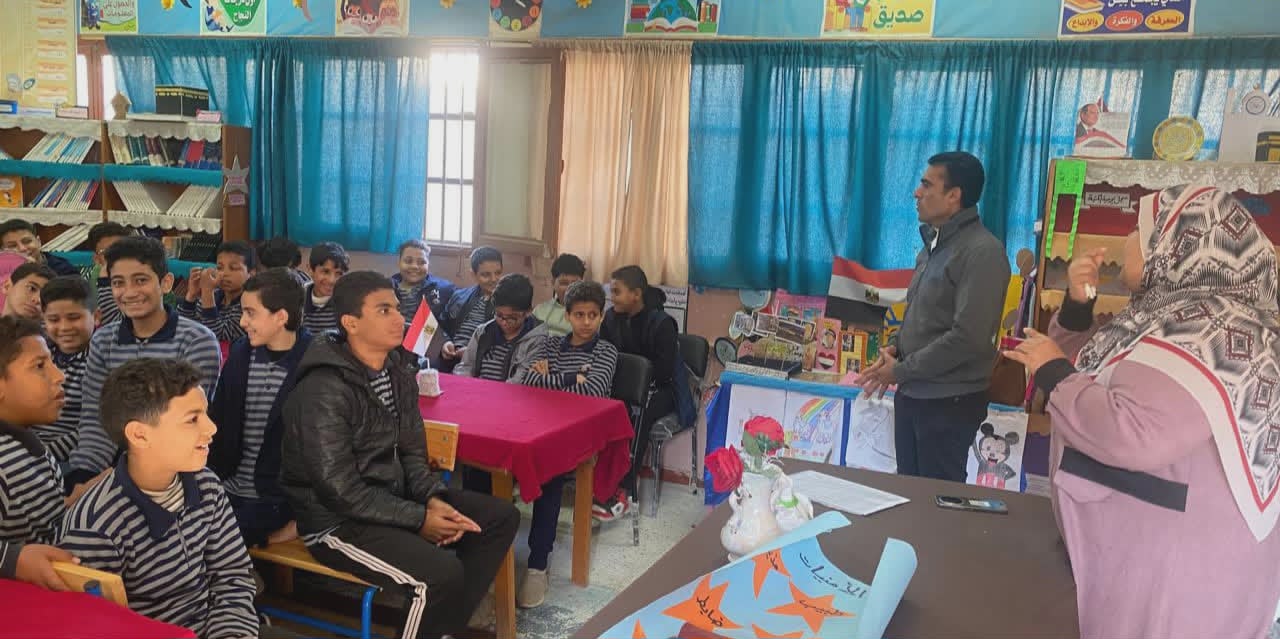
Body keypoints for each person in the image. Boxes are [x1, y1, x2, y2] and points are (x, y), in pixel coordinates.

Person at [1003, 185, 1280, 639]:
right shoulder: (1178, 315)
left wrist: (1052, 371)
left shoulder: (1211, 331)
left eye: (1140, 229)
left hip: (1175, 581)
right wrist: (1078, 304)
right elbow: (1098, 374)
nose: (1130, 238)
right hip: (1147, 558)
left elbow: (1136, 432)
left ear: (1175, 244)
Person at [280, 271, 519, 638]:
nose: (399, 318)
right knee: (439, 575)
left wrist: (433, 499)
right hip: (336, 521)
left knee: (499, 518)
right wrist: (419, 518)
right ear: (351, 323)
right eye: (384, 310)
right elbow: (339, 490)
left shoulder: (397, 370)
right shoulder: (323, 389)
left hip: (392, 498)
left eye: (395, 307)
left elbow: (412, 451)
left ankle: (442, 629)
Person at [60, 358, 260, 639]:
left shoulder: (207, 486)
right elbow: (99, 626)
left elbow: (232, 574)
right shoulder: (95, 526)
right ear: (140, 435)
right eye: (192, 419)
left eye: (205, 413)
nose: (212, 428)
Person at [856, 151, 1010, 483]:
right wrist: (896, 348)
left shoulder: (982, 252)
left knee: (938, 503)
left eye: (927, 185)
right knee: (909, 494)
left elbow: (967, 338)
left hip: (947, 404)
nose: (917, 193)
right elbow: (923, 317)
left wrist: (899, 370)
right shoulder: (933, 247)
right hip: (913, 395)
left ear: (954, 196)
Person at [64, 237, 221, 491]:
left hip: (173, 469)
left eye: (140, 280)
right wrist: (86, 476)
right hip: (109, 468)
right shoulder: (104, 340)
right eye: (118, 283)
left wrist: (127, 479)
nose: (129, 292)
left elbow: (185, 422)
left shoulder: (197, 340)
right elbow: (95, 418)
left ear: (166, 283)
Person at [518, 280, 619, 607]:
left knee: (550, 473)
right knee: (490, 466)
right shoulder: (550, 345)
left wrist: (551, 380)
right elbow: (529, 381)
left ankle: (537, 564)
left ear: (601, 316)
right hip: (544, 426)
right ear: (568, 315)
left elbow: (594, 391)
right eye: (579, 315)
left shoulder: (606, 351)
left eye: (593, 315)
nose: (586, 322)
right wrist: (572, 378)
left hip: (581, 434)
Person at [209, 269, 312, 548]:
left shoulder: (315, 361)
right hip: (226, 487)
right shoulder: (241, 353)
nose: (242, 322)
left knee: (218, 538)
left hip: (274, 497)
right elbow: (218, 421)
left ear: (281, 317)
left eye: (250, 313)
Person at [599, 265, 696, 521]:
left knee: (638, 413)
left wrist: (635, 378)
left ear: (636, 294)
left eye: (617, 292)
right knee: (605, 411)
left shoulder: (662, 324)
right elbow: (604, 356)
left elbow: (663, 373)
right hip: (622, 387)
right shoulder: (610, 319)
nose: (612, 297)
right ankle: (599, 484)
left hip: (661, 390)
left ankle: (626, 490)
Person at [0, 316, 77, 591]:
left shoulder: (21, 440)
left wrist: (72, 502)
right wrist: (11, 559)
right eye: (40, 366)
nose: (59, 375)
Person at [34, 276, 96, 463]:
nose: (64, 327)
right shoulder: (38, 353)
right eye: (54, 319)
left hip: (66, 457)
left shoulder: (99, 360)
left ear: (96, 316)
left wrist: (42, 454)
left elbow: (95, 427)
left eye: (74, 318)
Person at [455, 273, 548, 382]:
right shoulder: (483, 331)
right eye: (499, 315)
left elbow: (520, 380)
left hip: (510, 391)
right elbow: (465, 367)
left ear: (528, 312)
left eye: (512, 318)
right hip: (477, 388)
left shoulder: (537, 339)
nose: (504, 323)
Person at [179, 240, 258, 343]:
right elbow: (183, 326)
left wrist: (207, 292)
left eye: (233, 268)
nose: (224, 274)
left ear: (251, 273)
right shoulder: (214, 295)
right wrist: (191, 295)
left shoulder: (249, 304)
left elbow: (217, 336)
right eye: (220, 268)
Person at [440, 246, 502, 372]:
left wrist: (472, 352)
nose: (494, 279)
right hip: (449, 355)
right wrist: (445, 342)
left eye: (498, 273)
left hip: (483, 363)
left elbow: (506, 341)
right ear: (473, 275)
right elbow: (441, 326)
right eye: (486, 275)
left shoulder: (508, 305)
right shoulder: (459, 296)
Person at [391, 239, 454, 328]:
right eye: (408, 261)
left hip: (424, 335)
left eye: (421, 262)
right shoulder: (385, 288)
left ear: (428, 264)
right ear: (399, 262)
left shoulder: (443, 289)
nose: (414, 266)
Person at [86, 222, 132, 326]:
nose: (117, 256)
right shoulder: (85, 284)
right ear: (97, 259)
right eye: (107, 252)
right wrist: (105, 282)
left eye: (122, 250)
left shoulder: (143, 281)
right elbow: (111, 325)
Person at [532, 253, 586, 337]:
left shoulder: (588, 313)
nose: (570, 288)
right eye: (564, 283)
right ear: (553, 283)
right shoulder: (540, 311)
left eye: (575, 283)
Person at [0, 219, 77, 276]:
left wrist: (35, 270)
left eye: (27, 241)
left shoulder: (64, 270)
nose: (22, 248)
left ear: (39, 242)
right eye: (12, 246)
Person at [303, 241, 349, 334]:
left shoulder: (347, 301)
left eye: (339, 273)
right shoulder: (298, 297)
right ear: (310, 270)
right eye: (325, 272)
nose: (332, 280)